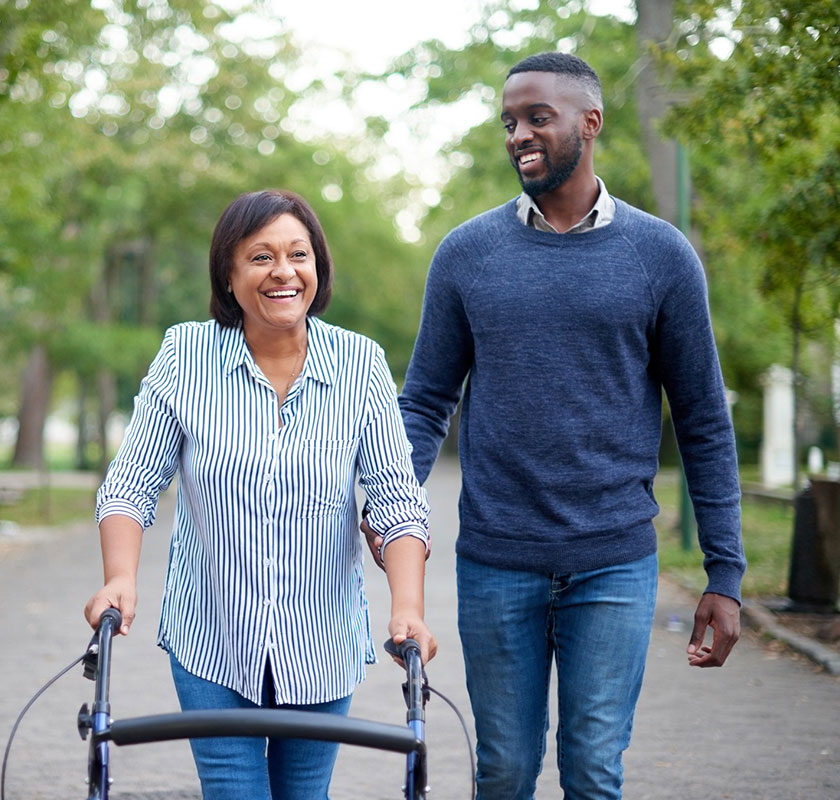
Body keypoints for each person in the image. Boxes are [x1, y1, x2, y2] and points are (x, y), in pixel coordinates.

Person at [365, 52, 747, 799]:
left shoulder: (662, 256)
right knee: (504, 769)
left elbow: (703, 419)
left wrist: (724, 572)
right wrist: (391, 506)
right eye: (510, 121)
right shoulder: (467, 254)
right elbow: (424, 400)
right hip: (496, 559)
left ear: (589, 123)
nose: (519, 135)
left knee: (594, 770)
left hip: (614, 560)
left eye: (537, 118)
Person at [84, 189, 436, 800]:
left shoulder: (361, 364)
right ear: (230, 272)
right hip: (211, 636)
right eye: (260, 256)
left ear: (317, 267)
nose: (283, 272)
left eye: (298, 254)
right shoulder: (186, 354)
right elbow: (132, 482)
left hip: (321, 640)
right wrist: (120, 577)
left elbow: (394, 498)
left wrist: (406, 607)